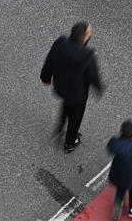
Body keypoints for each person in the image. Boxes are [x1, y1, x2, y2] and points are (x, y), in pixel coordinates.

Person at [40, 22, 104, 153]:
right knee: (75, 117)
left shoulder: (60, 43)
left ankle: (59, 129)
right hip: (78, 94)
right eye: (89, 34)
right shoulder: (87, 57)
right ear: (84, 38)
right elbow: (93, 77)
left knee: (66, 106)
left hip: (61, 87)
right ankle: (70, 142)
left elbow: (49, 60)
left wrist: (45, 77)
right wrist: (99, 88)